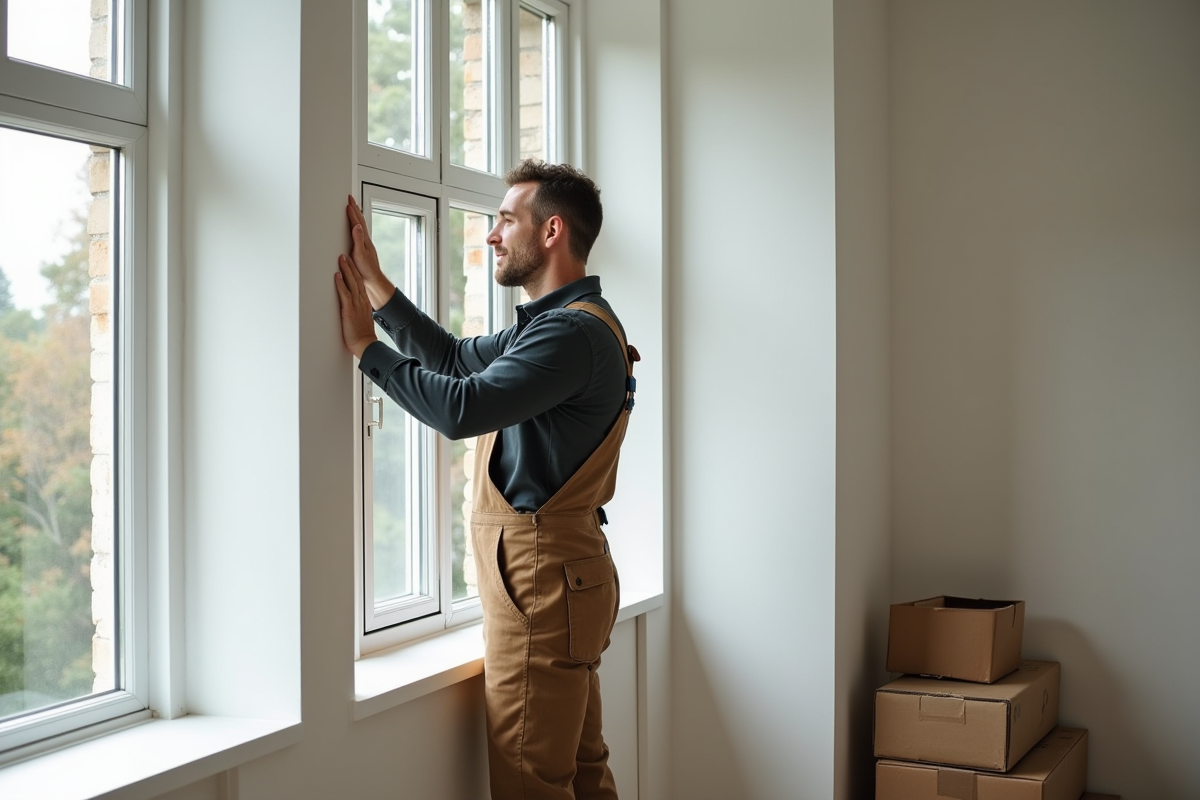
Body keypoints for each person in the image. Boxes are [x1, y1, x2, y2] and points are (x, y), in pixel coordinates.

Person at [334, 160, 637, 800]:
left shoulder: (569, 335)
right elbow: (448, 358)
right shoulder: (565, 323)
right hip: (563, 572)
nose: (492, 236)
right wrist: (378, 287)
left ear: (551, 231)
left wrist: (366, 348)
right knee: (582, 772)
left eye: (505, 220)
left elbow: (460, 409)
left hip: (541, 578)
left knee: (531, 781)